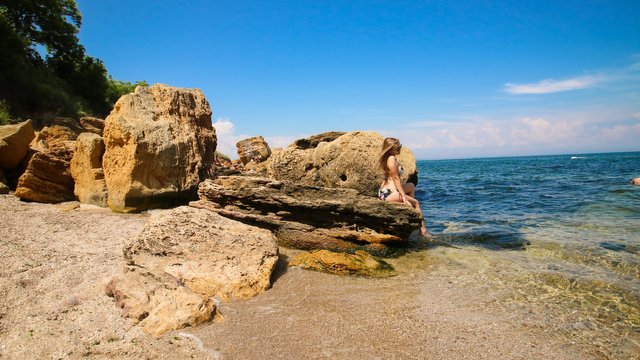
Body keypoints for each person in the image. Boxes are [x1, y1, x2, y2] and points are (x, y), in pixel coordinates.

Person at [378, 137, 429, 237]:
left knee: (411, 186)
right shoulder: (391, 159)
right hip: (390, 193)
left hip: (384, 191)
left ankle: (410, 214)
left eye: (400, 146)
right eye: (397, 148)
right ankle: (423, 231)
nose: (399, 149)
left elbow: (388, 178)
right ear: (389, 150)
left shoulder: (388, 158)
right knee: (416, 203)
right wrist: (403, 196)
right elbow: (395, 178)